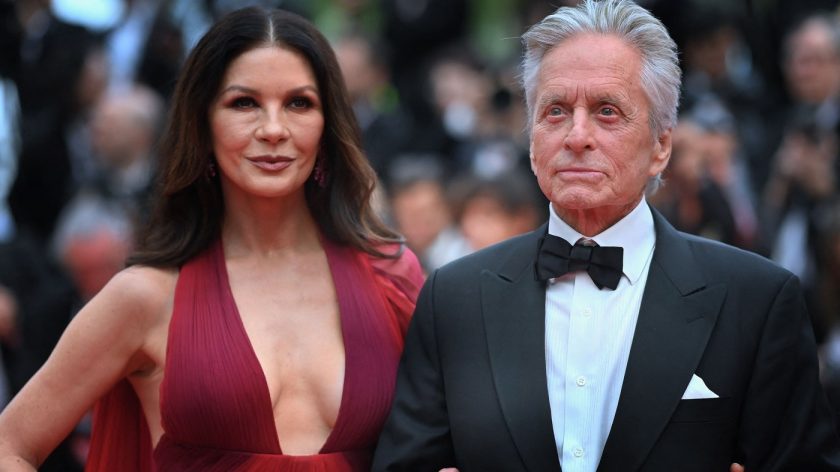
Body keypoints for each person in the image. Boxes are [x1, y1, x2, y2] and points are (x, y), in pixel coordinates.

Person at [372, 1, 840, 471]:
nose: (577, 136)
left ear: (661, 146)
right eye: (556, 110)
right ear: (532, 142)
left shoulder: (756, 301)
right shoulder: (453, 298)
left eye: (607, 111)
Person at [0, 6, 423, 471]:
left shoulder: (391, 276)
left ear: (328, 125)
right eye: (244, 103)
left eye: (299, 103)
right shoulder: (145, 297)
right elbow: (9, 445)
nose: (274, 129)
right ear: (201, 123)